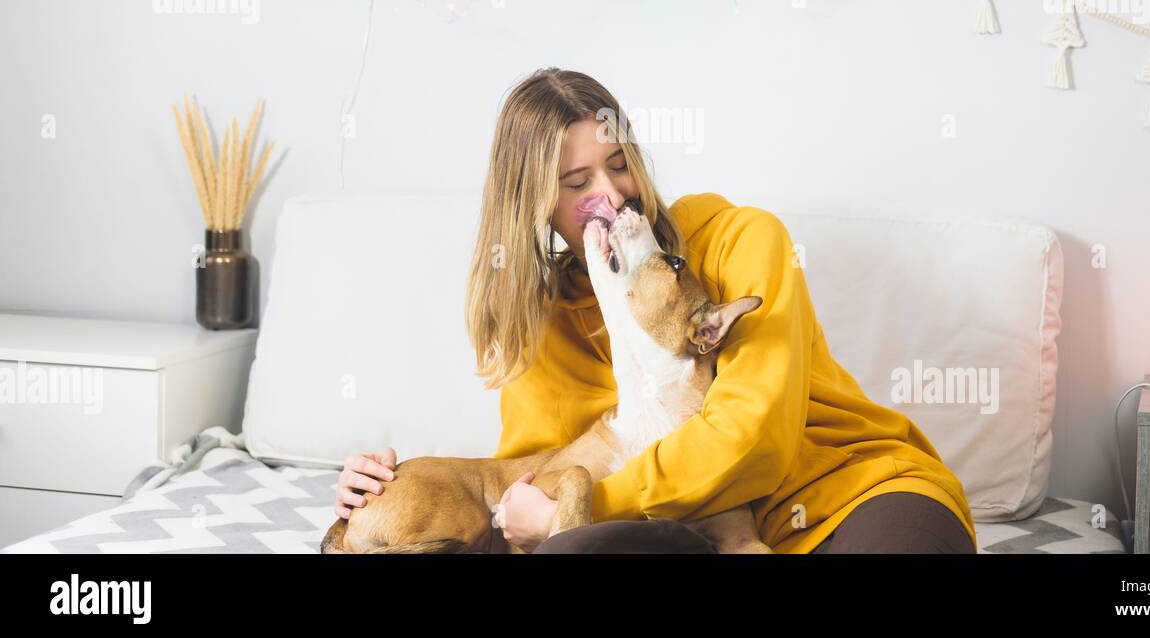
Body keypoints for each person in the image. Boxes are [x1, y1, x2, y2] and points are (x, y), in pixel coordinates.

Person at [333, 68, 978, 554]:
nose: (611, 195)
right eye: (576, 182)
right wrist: (374, 505)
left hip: (847, 495)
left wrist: (595, 503)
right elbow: (530, 489)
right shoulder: (544, 317)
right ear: (534, 204)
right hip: (677, 534)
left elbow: (757, 442)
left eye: (618, 165)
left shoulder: (743, 239)